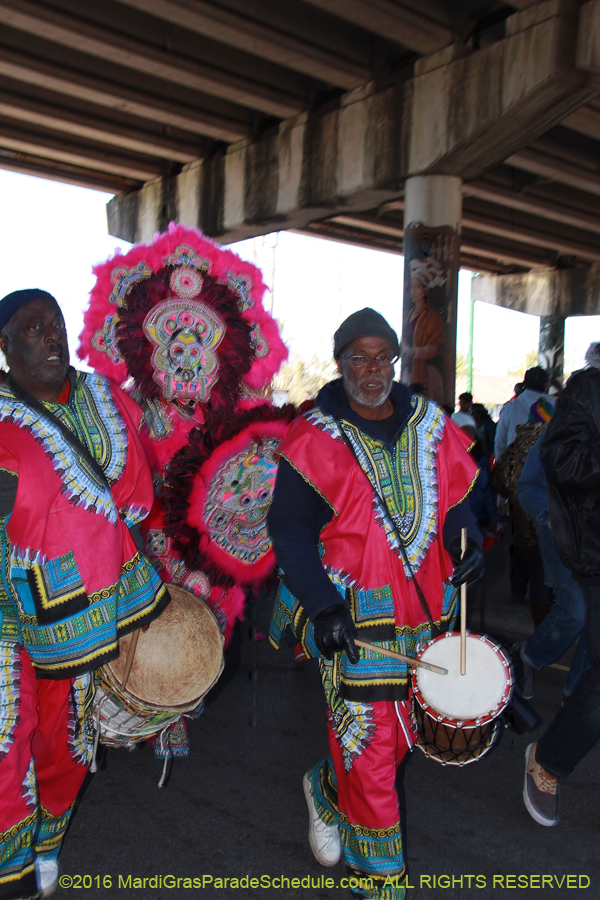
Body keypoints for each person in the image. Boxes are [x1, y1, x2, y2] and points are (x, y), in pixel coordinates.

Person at [268, 308, 483, 900]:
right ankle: (380, 883)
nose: (371, 369)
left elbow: (457, 503)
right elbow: (288, 530)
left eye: (382, 356)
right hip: (351, 617)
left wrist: (469, 544)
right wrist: (321, 604)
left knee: (403, 736)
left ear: (395, 361)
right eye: (358, 357)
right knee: (369, 750)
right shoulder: (314, 436)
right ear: (340, 363)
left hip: (426, 612)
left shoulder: (431, 425)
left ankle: (324, 789)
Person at [0, 289, 170, 899]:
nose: (52, 337)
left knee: (67, 736)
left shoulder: (104, 398)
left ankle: (47, 838)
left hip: (87, 606)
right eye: (33, 328)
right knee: (5, 731)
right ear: (4, 345)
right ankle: (10, 865)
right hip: (6, 602)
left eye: (56, 325)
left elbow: (137, 494)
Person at [522, 341, 600, 828]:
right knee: (577, 618)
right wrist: (549, 523)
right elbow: (555, 466)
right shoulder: (585, 394)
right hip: (586, 549)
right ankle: (548, 760)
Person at [514, 434, 588, 700]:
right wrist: (555, 518)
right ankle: (528, 656)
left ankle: (579, 692)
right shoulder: (561, 432)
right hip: (565, 540)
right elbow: (529, 488)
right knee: (576, 612)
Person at [492, 399, 554, 628]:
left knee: (521, 555)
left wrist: (512, 495)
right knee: (543, 568)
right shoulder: (555, 443)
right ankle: (544, 615)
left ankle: (517, 592)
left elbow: (499, 480)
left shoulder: (515, 447)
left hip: (520, 515)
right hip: (549, 518)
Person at [401, 259, 446, 403]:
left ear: (425, 289)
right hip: (408, 371)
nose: (413, 291)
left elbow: (432, 349)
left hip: (426, 374)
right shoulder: (408, 314)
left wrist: (411, 352)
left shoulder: (433, 317)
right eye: (412, 287)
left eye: (417, 286)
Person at [494, 366, 554, 459]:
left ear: (525, 383)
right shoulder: (557, 405)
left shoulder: (511, 407)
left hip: (517, 461)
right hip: (547, 461)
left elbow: (500, 441)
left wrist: (501, 461)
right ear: (546, 384)